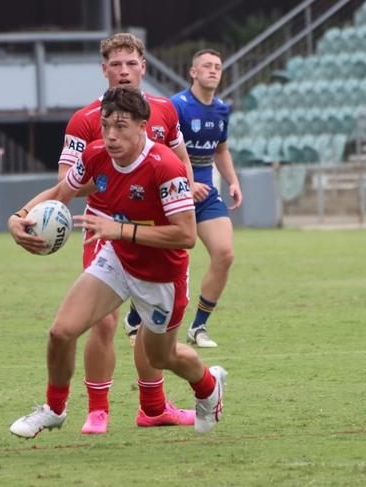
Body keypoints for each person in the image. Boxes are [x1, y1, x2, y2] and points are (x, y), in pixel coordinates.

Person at [8, 86, 226, 440]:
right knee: (61, 332)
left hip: (161, 277)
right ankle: (54, 409)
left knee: (161, 357)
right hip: (118, 260)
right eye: (106, 125)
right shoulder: (96, 155)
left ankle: (207, 385)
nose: (111, 135)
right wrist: (19, 216)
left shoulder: (164, 167)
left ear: (143, 126)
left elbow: (185, 236)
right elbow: (61, 192)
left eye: (121, 126)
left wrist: (120, 229)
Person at [53, 32, 196, 434]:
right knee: (103, 322)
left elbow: (180, 162)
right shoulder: (85, 120)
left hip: (158, 232)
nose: (123, 71)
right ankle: (98, 409)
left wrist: (181, 201)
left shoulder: (165, 110)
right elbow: (67, 180)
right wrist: (112, 191)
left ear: (143, 66)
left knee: (153, 327)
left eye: (131, 63)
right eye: (115, 64)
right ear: (104, 70)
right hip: (104, 229)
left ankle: (153, 407)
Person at [125, 49, 242, 348]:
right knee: (163, 261)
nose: (213, 70)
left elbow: (221, 149)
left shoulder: (221, 110)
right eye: (207, 66)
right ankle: (136, 316)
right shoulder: (175, 106)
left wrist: (233, 181)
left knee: (225, 254)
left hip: (205, 193)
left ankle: (199, 328)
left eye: (218, 66)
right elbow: (157, 149)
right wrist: (186, 185)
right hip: (172, 192)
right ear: (193, 72)